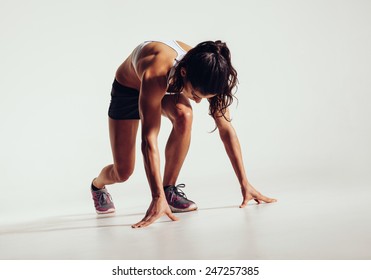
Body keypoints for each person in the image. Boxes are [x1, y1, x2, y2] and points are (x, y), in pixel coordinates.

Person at [91, 40, 277, 228]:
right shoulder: (156, 71)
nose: (197, 101)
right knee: (123, 172)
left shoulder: (212, 73)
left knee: (185, 114)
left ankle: (168, 189)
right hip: (129, 89)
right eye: (195, 94)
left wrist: (244, 183)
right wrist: (156, 198)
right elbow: (149, 139)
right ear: (183, 72)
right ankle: (97, 185)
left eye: (204, 98)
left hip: (169, 85)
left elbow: (226, 129)